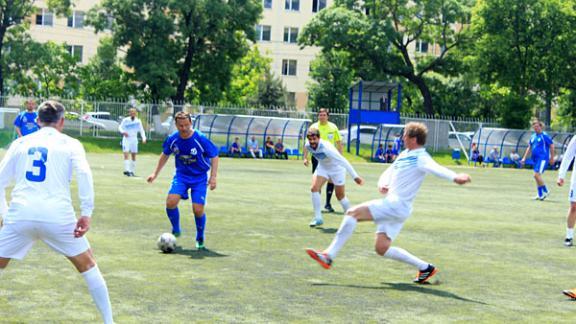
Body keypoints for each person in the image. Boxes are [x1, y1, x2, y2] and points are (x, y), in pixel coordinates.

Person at [306, 122, 471, 284]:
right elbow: (389, 172)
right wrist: (383, 183)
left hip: (397, 205)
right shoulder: (405, 154)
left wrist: (454, 177)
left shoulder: (421, 156)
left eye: (405, 134)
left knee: (352, 213)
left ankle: (329, 256)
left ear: (413, 139)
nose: (402, 138)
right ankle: (425, 267)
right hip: (397, 207)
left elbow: (436, 168)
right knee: (381, 248)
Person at [0, 101, 113, 323]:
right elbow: (84, 175)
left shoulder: (20, 143)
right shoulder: (71, 144)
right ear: (61, 121)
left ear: (37, 120)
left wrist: (4, 215)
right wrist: (86, 212)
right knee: (87, 264)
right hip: (58, 218)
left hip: (21, 215)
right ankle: (109, 321)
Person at [147, 112, 219, 250]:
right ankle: (176, 229)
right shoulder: (173, 139)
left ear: (191, 123)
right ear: (176, 125)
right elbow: (165, 155)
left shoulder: (200, 138)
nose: (184, 128)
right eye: (181, 125)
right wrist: (155, 173)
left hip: (199, 178)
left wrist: (213, 177)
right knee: (170, 202)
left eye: (186, 125)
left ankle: (200, 236)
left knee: (198, 209)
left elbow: (214, 155)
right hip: (181, 176)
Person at [303, 127, 364, 227]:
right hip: (322, 167)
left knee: (340, 196)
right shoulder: (308, 145)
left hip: (337, 169)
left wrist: (355, 177)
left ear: (319, 138)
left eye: (314, 139)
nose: (312, 141)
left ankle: (352, 217)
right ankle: (318, 218)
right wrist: (305, 158)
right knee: (314, 188)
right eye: (310, 139)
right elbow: (306, 148)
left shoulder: (327, 148)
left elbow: (344, 161)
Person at [304, 108, 343, 213]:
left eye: (324, 115)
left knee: (331, 180)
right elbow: (307, 143)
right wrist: (305, 157)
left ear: (327, 116)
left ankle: (328, 204)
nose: (322, 116)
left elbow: (339, 143)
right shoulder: (313, 127)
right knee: (317, 181)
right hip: (317, 157)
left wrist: (340, 157)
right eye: (320, 115)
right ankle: (318, 205)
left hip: (331, 158)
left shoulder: (333, 127)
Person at [521, 119, 554, 200]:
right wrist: (524, 158)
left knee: (536, 175)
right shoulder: (533, 136)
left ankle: (546, 191)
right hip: (535, 159)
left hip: (543, 158)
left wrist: (552, 157)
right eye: (534, 127)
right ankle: (540, 195)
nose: (535, 128)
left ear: (540, 127)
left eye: (537, 126)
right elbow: (529, 147)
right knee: (536, 177)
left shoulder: (544, 135)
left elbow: (552, 145)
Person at [119, 108, 147, 176]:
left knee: (133, 155)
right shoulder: (125, 120)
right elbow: (120, 127)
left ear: (136, 113)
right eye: (131, 112)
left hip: (134, 139)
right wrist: (123, 132)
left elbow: (141, 130)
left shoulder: (138, 121)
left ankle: (132, 171)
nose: (132, 114)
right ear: (129, 113)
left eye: (134, 113)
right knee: (126, 154)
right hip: (126, 139)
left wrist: (144, 138)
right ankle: (127, 170)